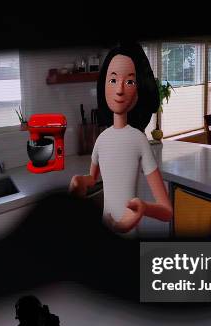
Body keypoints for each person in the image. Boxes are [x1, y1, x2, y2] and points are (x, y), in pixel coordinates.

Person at [69, 42, 172, 235]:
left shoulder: (138, 140)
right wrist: (80, 182)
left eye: (130, 82)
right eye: (113, 80)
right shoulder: (102, 139)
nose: (119, 90)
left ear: (139, 90)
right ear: (104, 85)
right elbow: (92, 179)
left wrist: (143, 208)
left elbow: (166, 212)